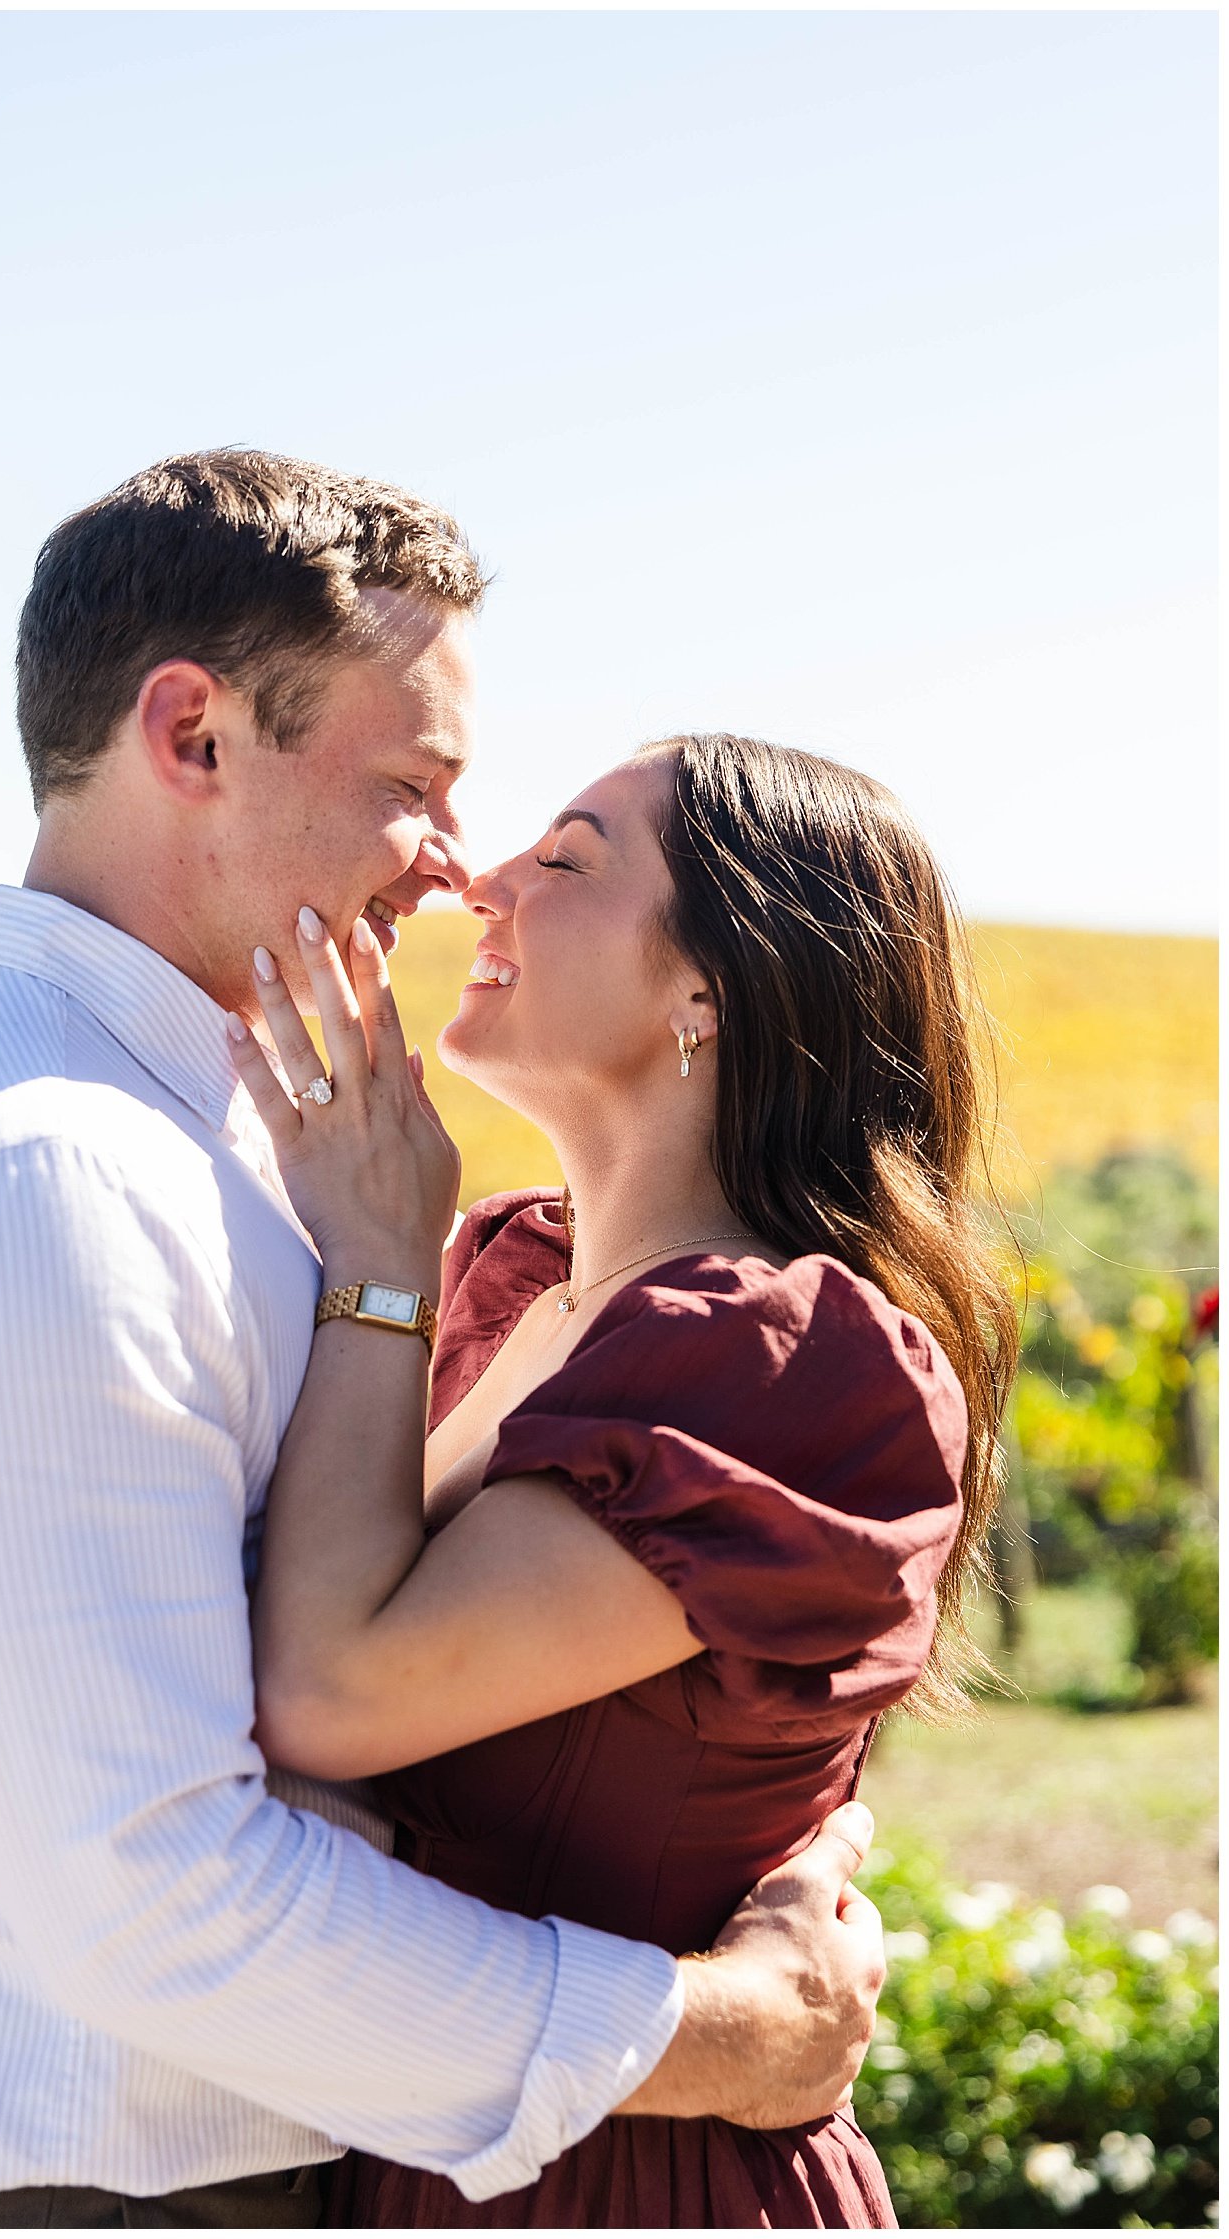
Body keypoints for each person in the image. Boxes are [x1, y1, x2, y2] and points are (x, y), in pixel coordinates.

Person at [0, 452, 886, 2230]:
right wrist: (722, 2039)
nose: (453, 867)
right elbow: (160, 1900)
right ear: (192, 734)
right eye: (411, 788)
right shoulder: (40, 1181)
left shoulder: (213, 1139)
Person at [236, 730, 1021, 2227]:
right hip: (422, 2148)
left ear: (706, 995)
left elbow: (332, 1693)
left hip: (630, 2177)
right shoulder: (504, 1273)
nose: (482, 880)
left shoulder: (789, 1362)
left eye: (566, 860)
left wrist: (376, 1256)